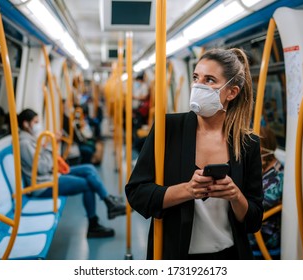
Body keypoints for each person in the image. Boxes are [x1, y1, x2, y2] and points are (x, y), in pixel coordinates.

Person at [125, 48, 264, 260]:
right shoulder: (168, 129)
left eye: (209, 80)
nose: (198, 86)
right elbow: (137, 193)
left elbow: (254, 220)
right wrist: (188, 190)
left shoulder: (247, 144)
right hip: (175, 255)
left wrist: (235, 196)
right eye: (196, 77)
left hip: (229, 255)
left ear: (232, 92)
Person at [18, 108, 126, 238]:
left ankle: (108, 200)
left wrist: (51, 149)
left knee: (89, 168)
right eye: (35, 122)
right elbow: (41, 167)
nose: (38, 125)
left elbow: (43, 159)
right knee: (87, 184)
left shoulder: (32, 139)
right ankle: (94, 223)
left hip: (50, 176)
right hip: (43, 185)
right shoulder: (25, 143)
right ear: (25, 123)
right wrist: (52, 149)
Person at [248, 126, 283, 259]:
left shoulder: (277, 176)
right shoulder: (260, 166)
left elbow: (259, 204)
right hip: (252, 237)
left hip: (265, 242)